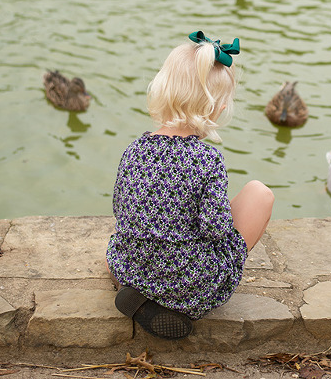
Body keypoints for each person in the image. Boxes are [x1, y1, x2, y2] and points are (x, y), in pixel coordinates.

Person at [106, 31, 274, 340]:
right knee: (259, 193)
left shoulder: (133, 150)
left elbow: (120, 209)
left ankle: (137, 291)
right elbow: (217, 230)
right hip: (191, 285)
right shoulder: (206, 159)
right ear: (217, 107)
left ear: (162, 89)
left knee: (125, 242)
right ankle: (176, 300)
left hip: (129, 266)